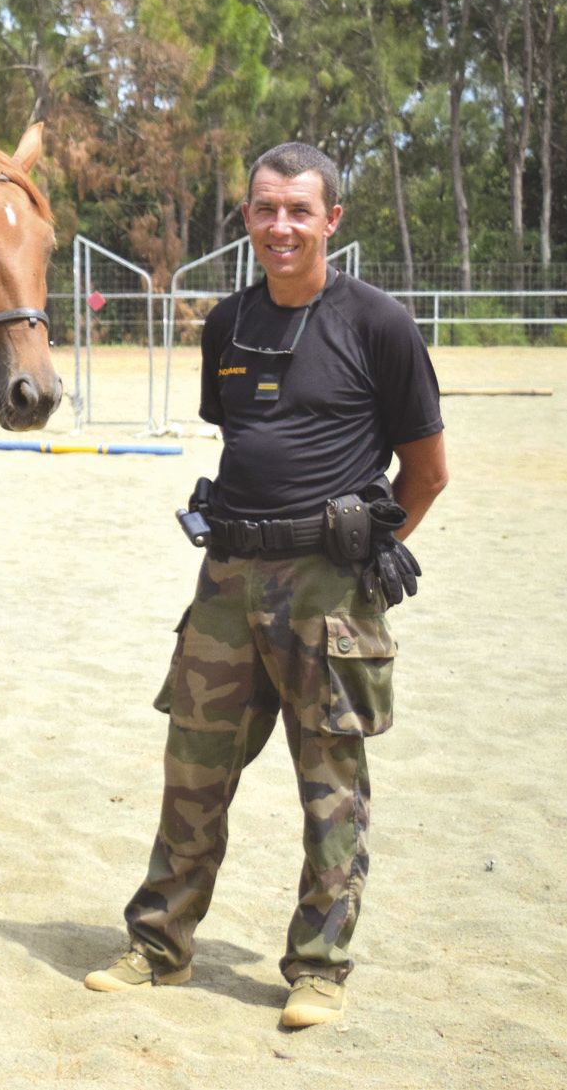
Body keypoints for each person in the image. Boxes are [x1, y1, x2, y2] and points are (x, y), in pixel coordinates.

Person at [84, 142, 448, 1028]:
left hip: (328, 589)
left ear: (331, 220)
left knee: (329, 783)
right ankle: (160, 945)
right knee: (191, 770)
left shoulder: (379, 324)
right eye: (263, 209)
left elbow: (426, 470)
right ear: (245, 218)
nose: (279, 226)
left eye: (297, 210)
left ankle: (318, 967)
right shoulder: (226, 325)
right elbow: (242, 434)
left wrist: (371, 542)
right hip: (225, 580)